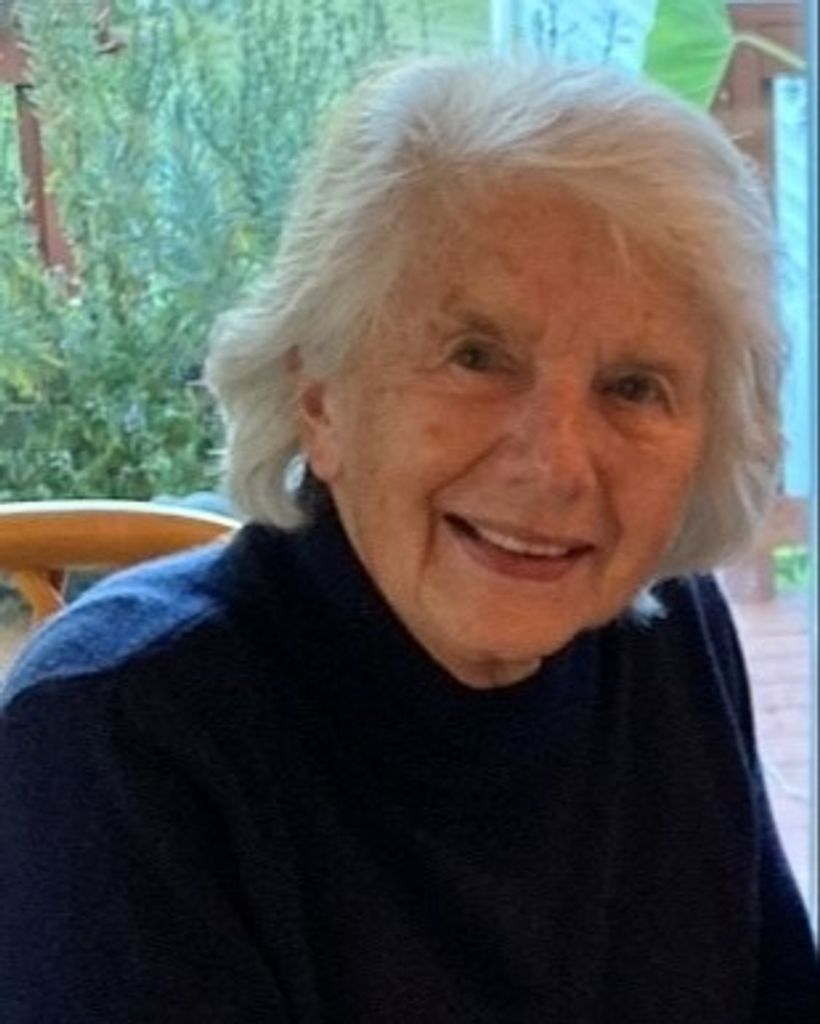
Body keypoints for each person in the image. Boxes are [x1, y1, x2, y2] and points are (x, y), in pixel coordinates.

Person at [1, 57, 816, 1023]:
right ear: (319, 397)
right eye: (477, 358)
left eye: (634, 387)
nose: (556, 466)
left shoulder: (662, 631)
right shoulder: (120, 738)